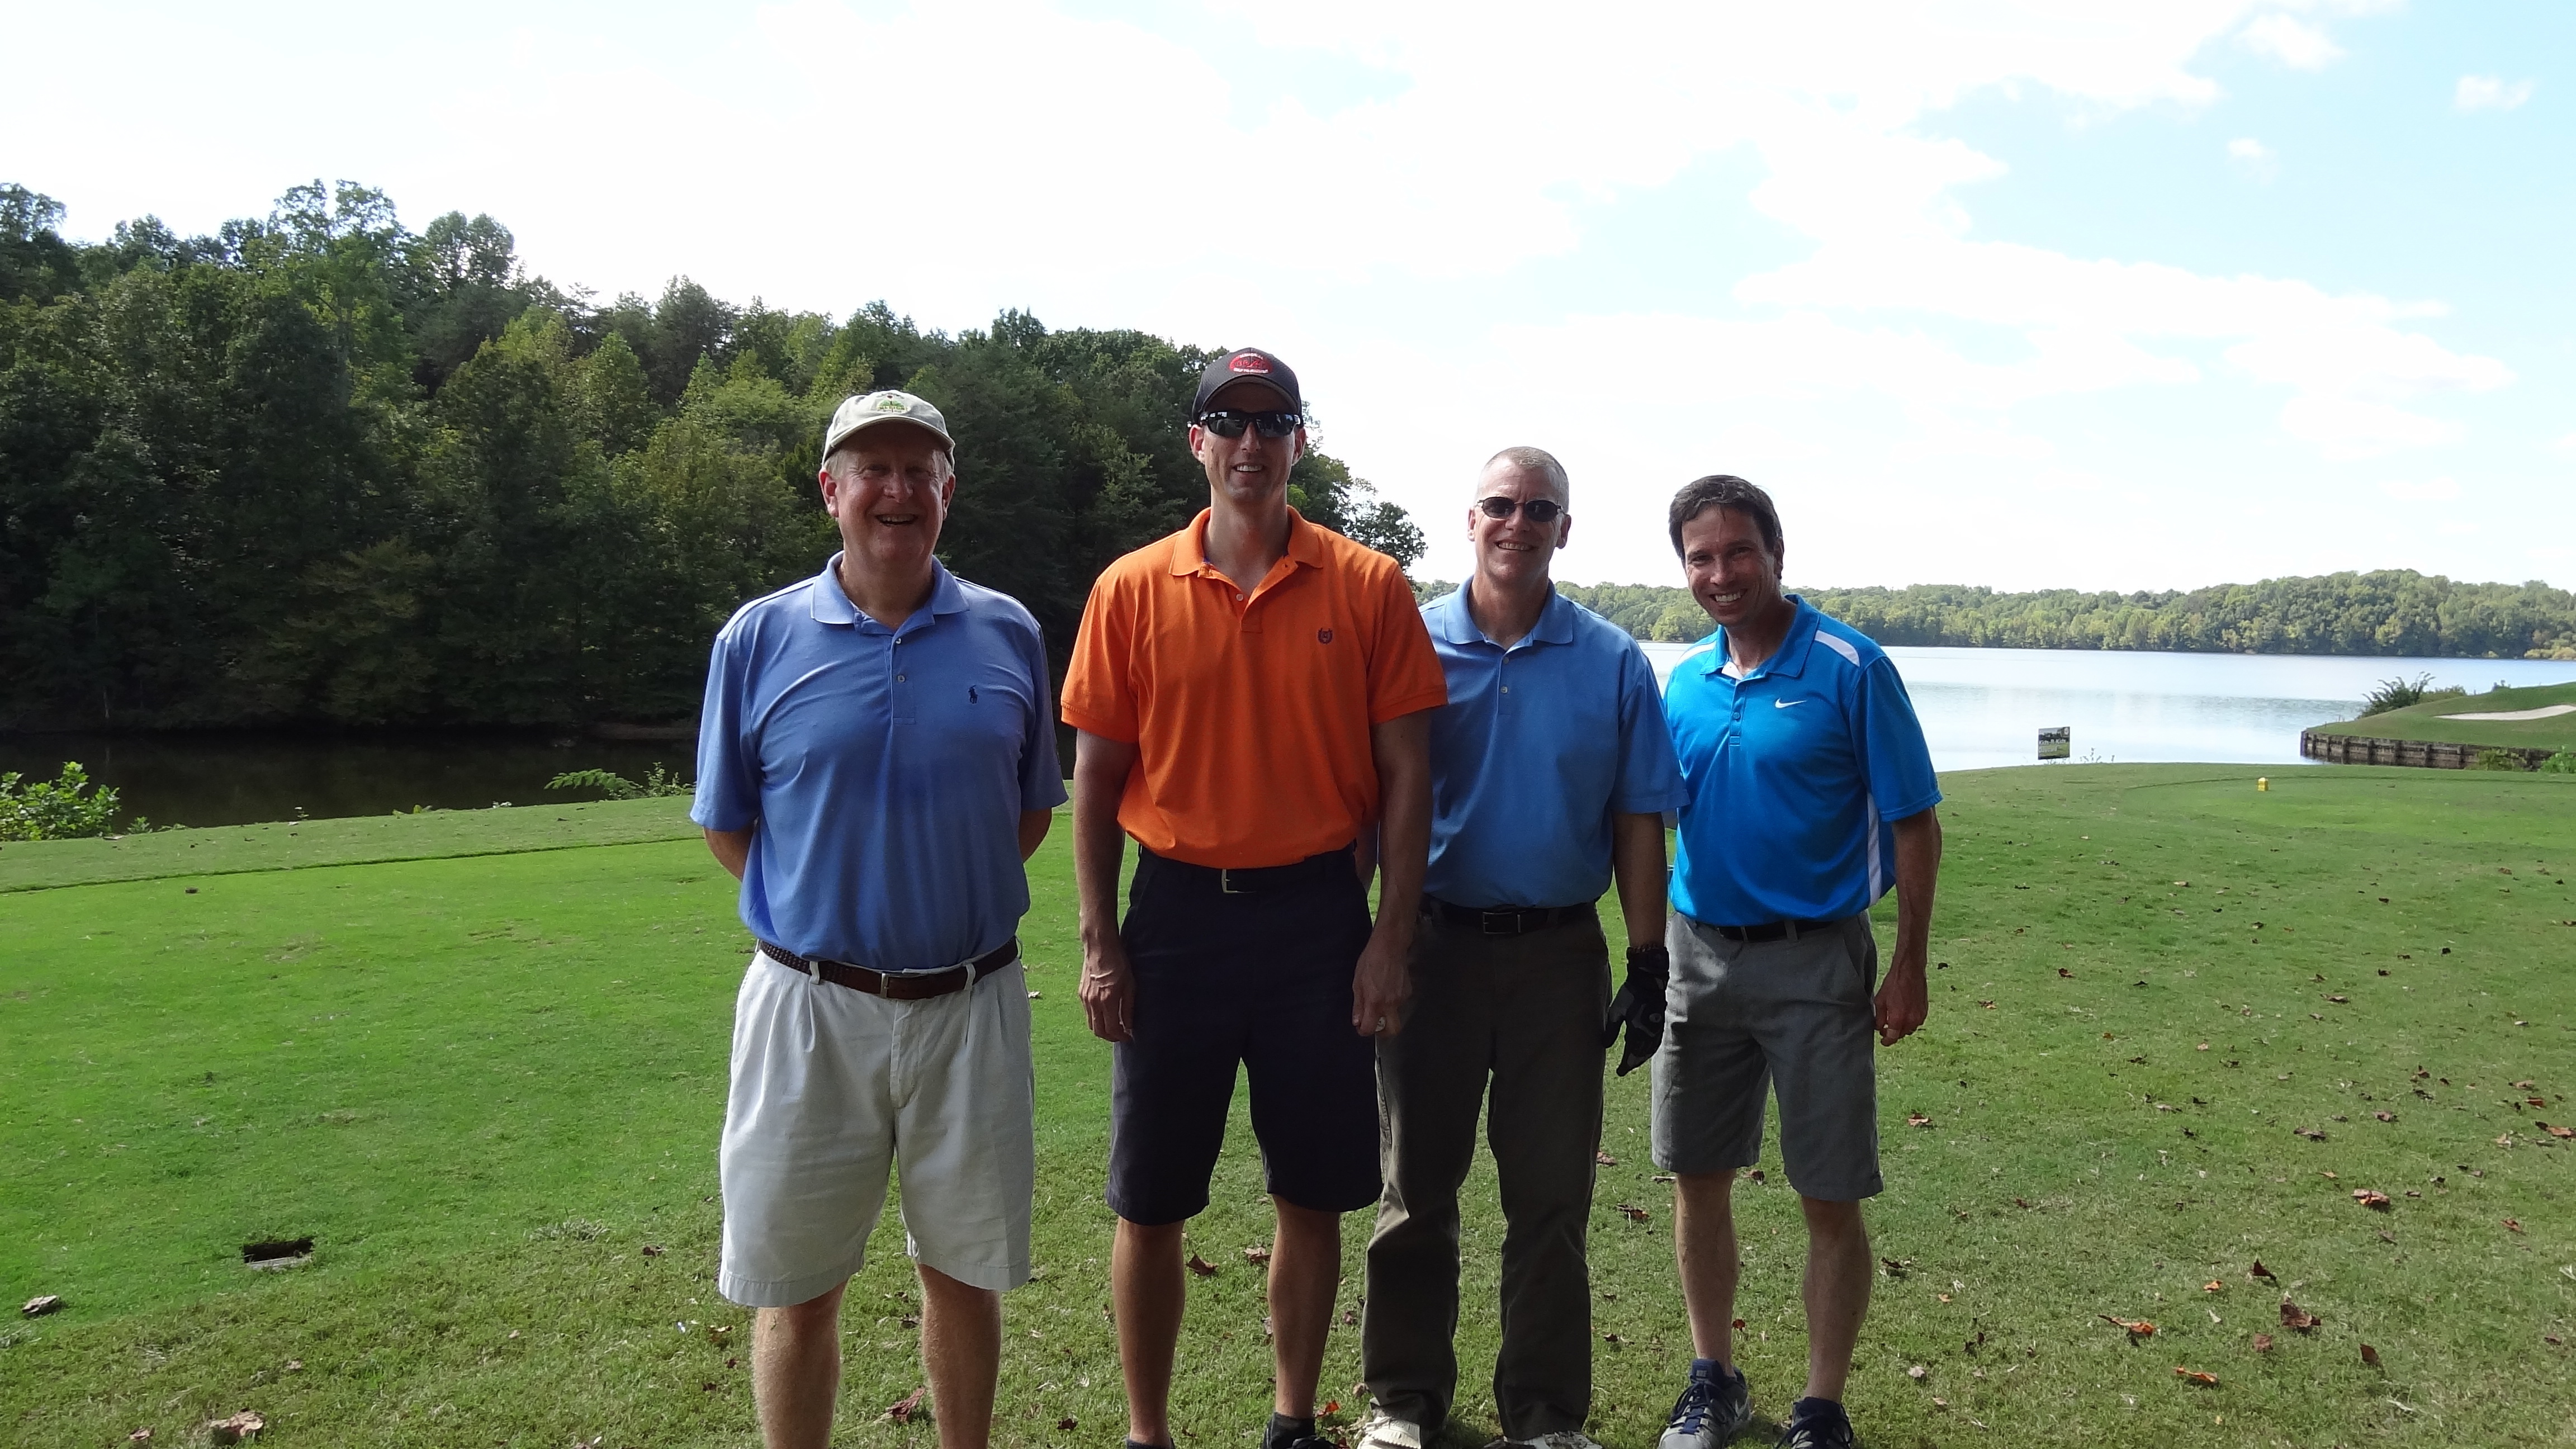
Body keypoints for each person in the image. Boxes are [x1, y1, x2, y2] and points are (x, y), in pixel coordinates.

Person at [1061, 347, 1449, 1449]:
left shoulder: (1368, 586)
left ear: (1299, 442)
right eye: (1228, 422)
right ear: (1197, 442)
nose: (1249, 443)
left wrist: (1389, 940)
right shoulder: (1131, 588)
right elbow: (1095, 781)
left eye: (1271, 422)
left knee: (1312, 1191)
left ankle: (1292, 1419)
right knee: (1150, 1198)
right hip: (1174, 919)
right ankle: (1148, 1432)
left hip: (1316, 920)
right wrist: (1100, 944)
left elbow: (1409, 776)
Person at [690, 390, 1066, 1449]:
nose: (897, 491)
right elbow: (729, 826)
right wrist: (831, 908)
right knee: (797, 1287)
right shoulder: (758, 638)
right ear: (832, 491)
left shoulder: (1008, 631)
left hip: (972, 1002)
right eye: (873, 470)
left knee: (964, 1275)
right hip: (809, 1010)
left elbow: (1027, 812)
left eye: (918, 471)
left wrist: (935, 900)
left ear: (948, 491)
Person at [1355, 447, 1687, 1449]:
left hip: (1557, 956)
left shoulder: (1612, 660)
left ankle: (1544, 1414)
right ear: (1470, 520)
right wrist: (1361, 938)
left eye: (1540, 509)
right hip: (1433, 947)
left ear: (1564, 530)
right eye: (1500, 505)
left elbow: (1637, 818)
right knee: (1417, 1187)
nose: (1518, 522)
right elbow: (1366, 803)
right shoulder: (1410, 642)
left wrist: (1647, 960)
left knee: (1550, 1198)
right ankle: (1403, 1400)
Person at [1650, 475, 1943, 1449]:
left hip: (1817, 962)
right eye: (1700, 557)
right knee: (1698, 1176)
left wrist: (1910, 963)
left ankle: (1820, 1405)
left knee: (1829, 1189)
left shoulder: (1852, 666)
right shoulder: (1684, 681)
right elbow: (1661, 818)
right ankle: (1714, 1379)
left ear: (1777, 554)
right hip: (1699, 961)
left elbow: (1915, 823)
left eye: (1739, 551)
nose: (1721, 573)